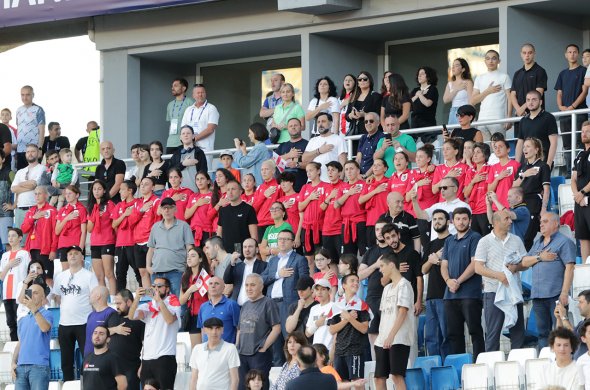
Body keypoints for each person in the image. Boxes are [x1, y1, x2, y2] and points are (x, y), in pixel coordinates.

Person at [521, 212, 576, 348]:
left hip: (556, 295)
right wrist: (540, 257)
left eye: (545, 221)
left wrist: (564, 293)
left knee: (560, 332)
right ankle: (545, 363)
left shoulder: (564, 242)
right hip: (538, 296)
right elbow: (524, 262)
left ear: (556, 224)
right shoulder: (537, 243)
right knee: (542, 334)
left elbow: (570, 268)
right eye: (541, 221)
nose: (541, 224)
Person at [474, 210, 526, 352]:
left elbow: (525, 264)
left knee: (518, 331)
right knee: (493, 333)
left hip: (513, 291)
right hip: (492, 291)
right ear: (495, 222)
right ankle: (492, 368)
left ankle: (519, 364)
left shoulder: (516, 240)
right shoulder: (484, 241)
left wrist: (517, 267)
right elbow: (478, 267)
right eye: (506, 218)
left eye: (510, 218)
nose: (510, 221)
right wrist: (499, 275)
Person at [440, 208, 484, 360]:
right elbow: (443, 265)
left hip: (470, 294)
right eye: (458, 219)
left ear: (470, 220)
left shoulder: (475, 237)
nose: (461, 222)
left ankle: (479, 364)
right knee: (454, 334)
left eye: (464, 219)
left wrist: (458, 281)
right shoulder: (448, 241)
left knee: (475, 331)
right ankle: (459, 367)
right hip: (450, 295)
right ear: (452, 221)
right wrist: (448, 281)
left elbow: (474, 264)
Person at [262, 229, 310, 365]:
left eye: (285, 239)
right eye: (280, 239)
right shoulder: (272, 261)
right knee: (274, 343)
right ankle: (278, 372)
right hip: (271, 304)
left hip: (288, 304)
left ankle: (296, 368)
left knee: (290, 340)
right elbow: (262, 279)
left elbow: (305, 281)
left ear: (292, 242)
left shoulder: (299, 259)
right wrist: (278, 274)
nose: (282, 241)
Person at [53, 245, 99, 381]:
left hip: (84, 323)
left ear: (82, 257)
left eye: (76, 253)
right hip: (64, 324)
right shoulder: (60, 277)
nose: (72, 255)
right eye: (70, 254)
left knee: (88, 359)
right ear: (66, 258)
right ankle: (69, 385)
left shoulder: (89, 276)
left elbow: (95, 298)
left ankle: (89, 385)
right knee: (66, 362)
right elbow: (57, 297)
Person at [129, 277, 181, 390]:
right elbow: (131, 316)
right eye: (154, 286)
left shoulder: (173, 301)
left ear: (167, 289)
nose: (156, 289)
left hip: (165, 357)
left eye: (159, 286)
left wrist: (159, 301)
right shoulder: (149, 305)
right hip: (147, 359)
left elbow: (169, 320)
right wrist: (137, 298)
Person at [374, 252, 415, 390]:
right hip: (383, 338)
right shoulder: (386, 288)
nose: (380, 270)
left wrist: (391, 335)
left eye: (382, 266)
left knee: (397, 376)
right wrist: (383, 336)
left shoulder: (404, 285)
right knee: (379, 377)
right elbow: (384, 313)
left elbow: (403, 312)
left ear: (391, 265)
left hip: (399, 338)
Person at [237, 273, 281, 390]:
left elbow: (276, 328)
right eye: (246, 285)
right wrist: (237, 347)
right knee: (242, 386)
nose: (248, 288)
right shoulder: (245, 305)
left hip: (259, 354)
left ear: (261, 287)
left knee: (259, 386)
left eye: (252, 285)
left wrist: (264, 348)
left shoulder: (268, 303)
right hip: (242, 354)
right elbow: (239, 329)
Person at [147, 197, 195, 298]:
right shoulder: (155, 227)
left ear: (175, 209)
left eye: (169, 207)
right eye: (164, 208)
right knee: (157, 302)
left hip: (177, 271)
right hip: (157, 271)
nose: (166, 210)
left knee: (179, 301)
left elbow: (190, 249)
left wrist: (188, 268)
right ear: (160, 210)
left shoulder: (184, 226)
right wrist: (148, 266)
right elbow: (151, 249)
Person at [327, 274, 371, 383]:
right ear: (344, 285)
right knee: (342, 383)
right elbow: (332, 330)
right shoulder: (336, 306)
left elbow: (364, 329)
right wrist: (347, 319)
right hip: (339, 351)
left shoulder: (362, 305)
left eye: (357, 281)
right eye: (352, 281)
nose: (356, 283)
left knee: (358, 383)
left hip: (355, 350)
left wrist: (350, 319)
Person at [358, 218, 392, 359]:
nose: (379, 232)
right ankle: (377, 367)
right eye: (377, 229)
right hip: (372, 297)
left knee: (390, 333)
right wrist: (375, 265)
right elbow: (359, 275)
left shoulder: (393, 250)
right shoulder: (370, 251)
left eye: (382, 229)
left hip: (390, 295)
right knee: (373, 335)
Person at [421, 209, 451, 358]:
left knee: (447, 335)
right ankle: (434, 367)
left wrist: (438, 260)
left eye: (440, 218)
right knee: (431, 337)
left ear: (448, 221)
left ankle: (448, 366)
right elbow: (423, 269)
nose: (437, 221)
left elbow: (454, 267)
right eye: (435, 219)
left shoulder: (452, 240)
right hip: (431, 295)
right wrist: (432, 259)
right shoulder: (430, 244)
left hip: (447, 294)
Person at [13, 281, 53, 390]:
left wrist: (34, 309)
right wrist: (13, 363)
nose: (32, 295)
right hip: (21, 367)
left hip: (39, 367)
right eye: (30, 293)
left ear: (42, 296)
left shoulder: (47, 314)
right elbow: (20, 343)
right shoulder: (23, 319)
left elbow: (45, 328)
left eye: (35, 293)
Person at [555, 44, 588, 172]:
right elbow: (559, 93)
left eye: (575, 52)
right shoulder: (562, 73)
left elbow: (584, 91)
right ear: (566, 55)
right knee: (567, 144)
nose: (572, 54)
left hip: (579, 112)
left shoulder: (583, 71)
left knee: (580, 143)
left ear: (578, 55)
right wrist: (560, 107)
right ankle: (570, 171)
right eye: (569, 52)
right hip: (564, 114)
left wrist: (573, 106)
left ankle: (581, 170)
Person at [513, 136, 550, 249]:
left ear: (536, 149)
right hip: (520, 204)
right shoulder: (522, 168)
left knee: (527, 238)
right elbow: (513, 186)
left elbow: (546, 189)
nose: (525, 149)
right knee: (518, 238)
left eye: (528, 146)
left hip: (534, 203)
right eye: (524, 147)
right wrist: (524, 175)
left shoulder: (543, 166)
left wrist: (543, 209)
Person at [107, 288, 146, 390]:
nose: (117, 306)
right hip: (111, 368)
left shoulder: (140, 320)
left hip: (131, 369)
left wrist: (143, 365)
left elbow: (147, 345)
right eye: (116, 303)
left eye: (119, 303)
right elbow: (102, 332)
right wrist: (116, 329)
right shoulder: (113, 316)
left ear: (129, 302)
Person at [470, 49, 513, 141]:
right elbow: (472, 101)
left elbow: (510, 99)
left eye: (494, 58)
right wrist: (488, 91)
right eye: (488, 59)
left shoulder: (504, 77)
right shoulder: (479, 78)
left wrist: (509, 118)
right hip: (482, 119)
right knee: (484, 151)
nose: (491, 61)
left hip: (498, 119)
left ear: (498, 61)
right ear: (485, 61)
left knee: (499, 148)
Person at [190, 317, 240, 390]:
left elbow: (235, 379)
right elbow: (193, 378)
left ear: (222, 330)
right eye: (210, 328)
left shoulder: (230, 348)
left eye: (217, 328)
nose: (214, 332)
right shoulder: (197, 349)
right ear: (204, 330)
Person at [130, 177, 161, 289]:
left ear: (153, 187)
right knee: (143, 272)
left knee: (154, 271)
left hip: (150, 242)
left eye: (146, 184)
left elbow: (159, 220)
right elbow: (130, 222)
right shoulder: (137, 203)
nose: (142, 186)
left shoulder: (156, 201)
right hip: (138, 241)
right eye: (141, 184)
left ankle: (158, 298)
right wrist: (141, 210)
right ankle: (149, 299)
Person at [510, 43, 548, 136]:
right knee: (519, 145)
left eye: (530, 53)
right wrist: (518, 109)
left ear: (534, 54)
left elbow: (538, 93)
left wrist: (522, 108)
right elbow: (512, 94)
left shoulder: (540, 71)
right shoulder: (517, 73)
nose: (527, 55)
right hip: (520, 117)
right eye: (524, 53)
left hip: (536, 115)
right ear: (521, 54)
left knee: (535, 145)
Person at [22, 185, 58, 283]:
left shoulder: (52, 211)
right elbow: (24, 229)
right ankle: (33, 298)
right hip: (31, 249)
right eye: (35, 194)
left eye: (40, 193)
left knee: (47, 278)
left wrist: (53, 249)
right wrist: (34, 218)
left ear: (46, 196)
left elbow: (55, 232)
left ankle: (49, 298)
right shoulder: (31, 211)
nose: (37, 196)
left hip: (45, 250)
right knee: (32, 278)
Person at [515, 90, 558, 169]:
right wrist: (516, 165)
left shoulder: (549, 118)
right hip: (526, 163)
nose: (530, 102)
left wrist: (548, 164)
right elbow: (520, 144)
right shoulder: (523, 121)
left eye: (534, 99)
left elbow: (554, 143)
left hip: (542, 162)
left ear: (540, 102)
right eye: (528, 100)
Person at [87, 180, 117, 296]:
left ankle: (114, 300)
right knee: (99, 276)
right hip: (95, 243)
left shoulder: (109, 204)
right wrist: (95, 216)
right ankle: (104, 301)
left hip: (107, 241)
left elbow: (114, 223)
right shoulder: (92, 207)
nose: (96, 191)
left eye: (99, 189)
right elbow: (89, 228)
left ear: (104, 191)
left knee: (109, 273)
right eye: (94, 189)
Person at [0, 228, 30, 341]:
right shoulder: (5, 256)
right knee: (11, 323)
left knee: (21, 321)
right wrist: (9, 265)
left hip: (20, 294)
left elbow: (30, 274)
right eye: (9, 236)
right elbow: (2, 276)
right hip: (7, 294)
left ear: (20, 238)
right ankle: (14, 346)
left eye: (13, 236)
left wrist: (28, 293)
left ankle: (23, 346)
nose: (10, 238)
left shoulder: (25, 254)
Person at [179, 246, 211, 348]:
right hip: (192, 316)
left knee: (207, 346)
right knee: (196, 349)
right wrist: (190, 290)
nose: (189, 258)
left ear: (200, 259)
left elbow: (211, 298)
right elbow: (181, 301)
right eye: (188, 256)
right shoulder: (185, 276)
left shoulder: (206, 276)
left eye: (193, 256)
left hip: (205, 315)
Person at [111, 180, 141, 291]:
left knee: (139, 271)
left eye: (122, 189)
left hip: (134, 243)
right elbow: (114, 224)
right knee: (120, 273)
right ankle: (121, 299)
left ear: (130, 191)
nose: (119, 192)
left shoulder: (138, 203)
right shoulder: (119, 205)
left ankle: (145, 296)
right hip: (120, 244)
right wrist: (124, 214)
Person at [180, 84, 220, 167]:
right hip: (188, 148)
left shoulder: (211, 108)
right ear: (193, 95)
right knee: (189, 173)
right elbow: (183, 129)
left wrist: (193, 139)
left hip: (205, 149)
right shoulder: (188, 109)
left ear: (205, 94)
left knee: (204, 174)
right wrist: (188, 141)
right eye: (198, 93)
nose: (200, 94)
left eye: (202, 92)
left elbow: (210, 129)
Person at [298, 162, 329, 265]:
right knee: (309, 258)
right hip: (306, 228)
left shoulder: (326, 186)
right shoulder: (305, 187)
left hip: (321, 227)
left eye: (311, 170)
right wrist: (309, 198)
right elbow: (300, 207)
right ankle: (312, 279)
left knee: (322, 257)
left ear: (318, 171)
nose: (308, 173)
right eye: (307, 171)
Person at [302, 113, 348, 182]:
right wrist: (319, 151)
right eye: (318, 122)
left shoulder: (338, 139)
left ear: (330, 123)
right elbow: (304, 159)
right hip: (313, 183)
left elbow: (343, 164)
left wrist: (340, 180)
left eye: (323, 121)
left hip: (331, 182)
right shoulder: (312, 140)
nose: (320, 124)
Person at [335, 160, 367, 256]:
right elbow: (336, 205)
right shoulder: (342, 187)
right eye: (347, 169)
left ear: (358, 171)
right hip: (346, 224)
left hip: (361, 222)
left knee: (365, 254)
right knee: (348, 256)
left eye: (351, 169)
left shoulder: (364, 184)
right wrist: (349, 193)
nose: (349, 171)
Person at [223, 237, 267, 305]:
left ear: (257, 249)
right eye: (245, 247)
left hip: (255, 306)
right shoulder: (237, 266)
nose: (247, 249)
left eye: (250, 247)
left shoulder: (264, 265)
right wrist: (232, 263)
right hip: (237, 306)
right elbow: (226, 280)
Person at [217, 180, 258, 252]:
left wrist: (254, 252)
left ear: (240, 191)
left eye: (233, 189)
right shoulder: (223, 211)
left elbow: (254, 236)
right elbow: (219, 234)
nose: (230, 192)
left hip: (243, 251)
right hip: (225, 252)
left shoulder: (248, 209)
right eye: (228, 189)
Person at [82, 325, 128, 390]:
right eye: (95, 333)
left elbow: (123, 384)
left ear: (108, 339)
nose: (97, 336)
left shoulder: (113, 358)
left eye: (101, 334)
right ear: (92, 337)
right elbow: (83, 381)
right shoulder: (87, 357)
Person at [197, 276, 241, 343]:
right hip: (208, 350)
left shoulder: (232, 305)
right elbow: (203, 329)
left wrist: (236, 348)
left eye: (217, 283)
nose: (213, 286)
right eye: (210, 283)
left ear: (223, 288)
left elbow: (239, 329)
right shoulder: (203, 307)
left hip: (226, 350)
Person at [11, 144, 44, 230]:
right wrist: (29, 184)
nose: (30, 154)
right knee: (20, 241)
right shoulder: (20, 172)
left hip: (34, 208)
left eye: (33, 151)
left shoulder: (42, 168)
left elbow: (34, 184)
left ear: (38, 153)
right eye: (28, 152)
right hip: (19, 210)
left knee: (35, 240)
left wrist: (20, 184)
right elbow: (13, 189)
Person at [359, 158, 390, 247]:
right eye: (374, 165)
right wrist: (375, 191)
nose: (375, 167)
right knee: (372, 252)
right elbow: (360, 200)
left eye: (378, 165)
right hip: (371, 222)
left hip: (385, 221)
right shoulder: (368, 183)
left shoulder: (389, 181)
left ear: (385, 169)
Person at [169, 125, 209, 193]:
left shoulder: (199, 152)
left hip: (195, 192)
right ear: (180, 137)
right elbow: (170, 171)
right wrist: (183, 164)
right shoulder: (176, 154)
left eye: (188, 133)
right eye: (183, 134)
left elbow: (204, 172)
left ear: (193, 136)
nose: (186, 135)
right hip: (179, 193)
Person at [55, 185, 87, 271]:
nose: (67, 196)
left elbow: (84, 231)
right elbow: (57, 231)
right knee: (66, 273)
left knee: (78, 273)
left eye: (70, 193)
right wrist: (66, 219)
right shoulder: (62, 210)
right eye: (66, 194)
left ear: (77, 195)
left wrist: (80, 249)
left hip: (76, 245)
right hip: (63, 244)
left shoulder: (82, 209)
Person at [463, 142, 492, 236]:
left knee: (487, 238)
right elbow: (465, 194)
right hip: (473, 211)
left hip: (485, 210)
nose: (474, 155)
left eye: (478, 152)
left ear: (485, 155)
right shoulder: (470, 171)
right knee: (476, 241)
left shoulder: (490, 169)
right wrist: (473, 181)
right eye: (474, 152)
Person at [253, 159, 284, 240]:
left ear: (273, 171)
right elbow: (254, 209)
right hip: (260, 224)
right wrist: (264, 196)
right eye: (262, 170)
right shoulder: (259, 188)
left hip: (274, 223)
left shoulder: (279, 186)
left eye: (266, 169)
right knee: (262, 251)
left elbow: (282, 206)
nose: (263, 172)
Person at [320, 161, 345, 262]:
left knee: (343, 260)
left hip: (339, 229)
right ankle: (333, 278)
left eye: (333, 170)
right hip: (326, 230)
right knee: (330, 261)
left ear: (339, 173)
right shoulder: (326, 188)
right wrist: (329, 197)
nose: (330, 172)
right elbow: (321, 207)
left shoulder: (344, 186)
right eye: (328, 170)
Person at [275, 118, 309, 192]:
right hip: (282, 189)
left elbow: (312, 165)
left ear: (301, 127)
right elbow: (272, 162)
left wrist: (297, 164)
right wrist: (288, 155)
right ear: (287, 129)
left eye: (295, 125)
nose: (293, 127)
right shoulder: (282, 145)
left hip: (301, 188)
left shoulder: (308, 144)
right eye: (290, 126)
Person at [346, 71, 383, 138]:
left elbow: (379, 115)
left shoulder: (376, 96)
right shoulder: (353, 97)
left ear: (370, 81)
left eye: (365, 79)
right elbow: (346, 116)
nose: (362, 81)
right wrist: (350, 115)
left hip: (370, 132)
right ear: (358, 83)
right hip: (354, 132)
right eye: (359, 80)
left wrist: (364, 115)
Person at [572, 122, 590, 261]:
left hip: (587, 198)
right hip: (579, 201)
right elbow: (573, 179)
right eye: (582, 131)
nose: (583, 134)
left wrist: (582, 192)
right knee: (583, 236)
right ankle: (585, 267)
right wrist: (577, 195)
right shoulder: (579, 155)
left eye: (587, 131)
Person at [15, 86, 45, 170]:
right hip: (20, 150)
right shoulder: (18, 110)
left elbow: (42, 130)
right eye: (22, 95)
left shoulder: (38, 110)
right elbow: (18, 129)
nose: (25, 97)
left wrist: (40, 149)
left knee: (34, 177)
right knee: (21, 177)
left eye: (28, 95)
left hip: (33, 150)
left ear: (33, 95)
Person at [487, 138, 519, 209]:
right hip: (497, 205)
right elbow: (489, 190)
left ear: (508, 149)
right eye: (495, 148)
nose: (498, 149)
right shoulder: (493, 167)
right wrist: (498, 178)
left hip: (511, 205)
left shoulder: (515, 165)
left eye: (500, 147)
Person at [84, 286, 117, 357]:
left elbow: (114, 334)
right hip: (88, 358)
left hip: (102, 358)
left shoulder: (111, 313)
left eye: (92, 293)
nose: (89, 295)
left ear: (98, 296)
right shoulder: (91, 315)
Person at [410, 66, 439, 144]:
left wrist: (420, 95)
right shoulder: (415, 90)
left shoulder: (432, 89)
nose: (419, 76)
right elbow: (408, 105)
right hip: (415, 124)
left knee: (428, 148)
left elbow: (427, 103)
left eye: (422, 74)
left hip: (427, 123)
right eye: (418, 74)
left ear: (428, 76)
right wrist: (417, 94)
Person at [185, 171, 215, 247]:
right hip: (193, 231)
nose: (199, 181)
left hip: (207, 231)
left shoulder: (213, 196)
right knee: (195, 256)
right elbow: (186, 215)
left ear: (208, 181)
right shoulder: (193, 196)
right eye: (197, 179)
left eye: (202, 178)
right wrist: (197, 204)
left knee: (207, 256)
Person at [166, 77, 195, 154]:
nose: (172, 88)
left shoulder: (190, 102)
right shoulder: (170, 104)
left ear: (183, 88)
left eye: (175, 86)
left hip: (184, 142)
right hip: (170, 142)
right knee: (170, 165)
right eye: (172, 86)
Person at [305, 279, 334, 350]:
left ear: (329, 291)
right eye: (317, 290)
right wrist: (317, 324)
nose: (319, 292)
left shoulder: (334, 306)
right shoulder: (314, 308)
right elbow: (307, 333)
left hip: (329, 349)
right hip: (316, 350)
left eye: (323, 289)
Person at [443, 58, 473, 125]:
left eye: (456, 65)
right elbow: (445, 100)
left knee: (464, 133)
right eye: (452, 66)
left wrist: (471, 115)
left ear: (463, 69)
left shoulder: (467, 82)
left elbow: (471, 101)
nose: (453, 68)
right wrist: (457, 89)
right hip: (453, 112)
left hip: (464, 111)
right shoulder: (450, 83)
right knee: (453, 134)